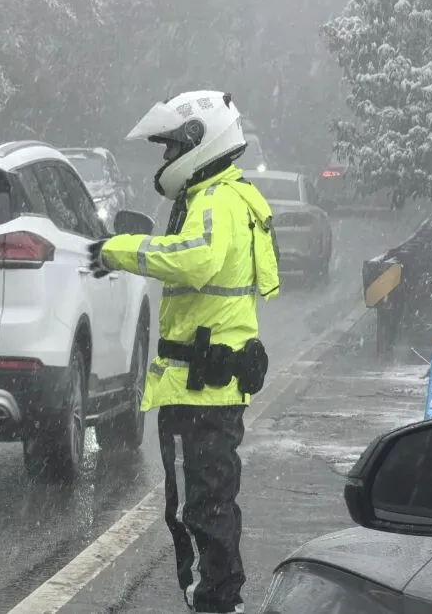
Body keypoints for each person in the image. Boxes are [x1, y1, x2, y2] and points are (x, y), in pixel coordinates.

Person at [87, 90, 279, 614]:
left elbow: (195, 259)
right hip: (210, 387)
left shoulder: (215, 199)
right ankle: (220, 599)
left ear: (200, 141)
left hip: (200, 390)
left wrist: (117, 251)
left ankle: (213, 602)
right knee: (210, 503)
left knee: (198, 508)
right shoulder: (229, 196)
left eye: (172, 147)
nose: (167, 157)